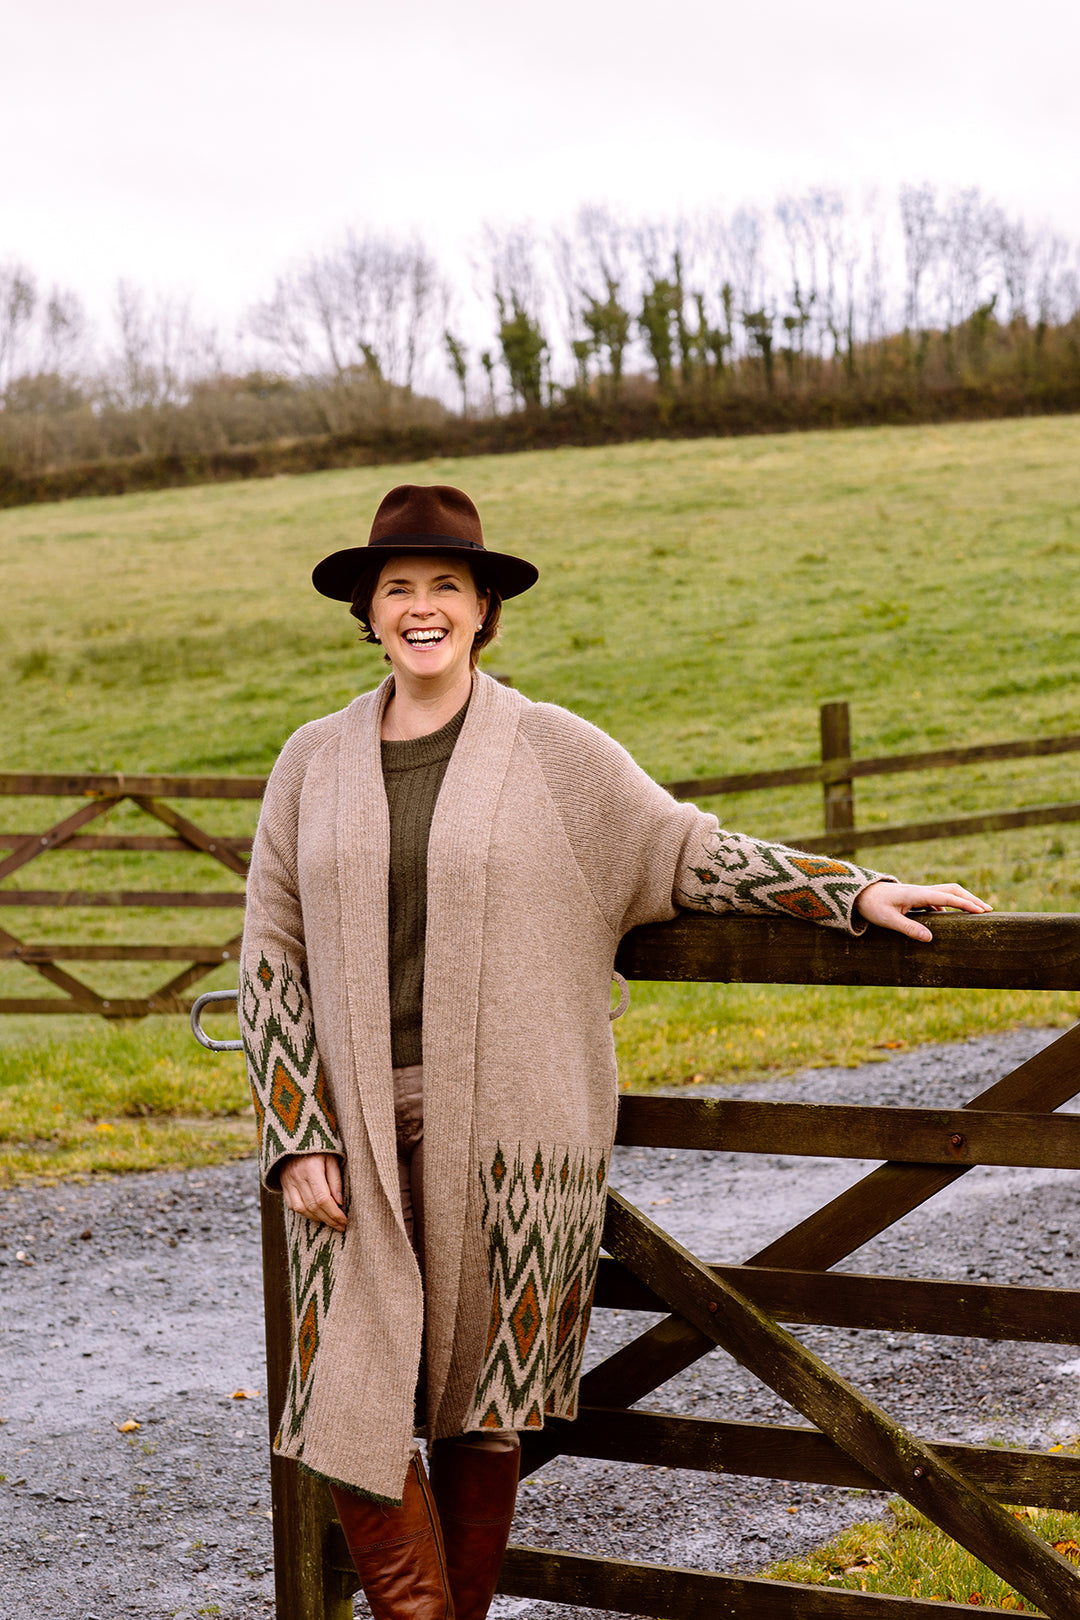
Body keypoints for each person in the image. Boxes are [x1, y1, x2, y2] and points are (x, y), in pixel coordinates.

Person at [240, 483, 990, 1620]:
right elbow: (272, 954)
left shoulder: (554, 751)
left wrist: (849, 891)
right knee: (347, 1403)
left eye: (447, 586)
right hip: (351, 1138)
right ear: (368, 613)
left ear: (484, 610)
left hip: (514, 1134)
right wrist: (297, 1133)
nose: (423, 607)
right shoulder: (311, 761)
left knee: (481, 1409)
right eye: (399, 588)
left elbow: (688, 851)